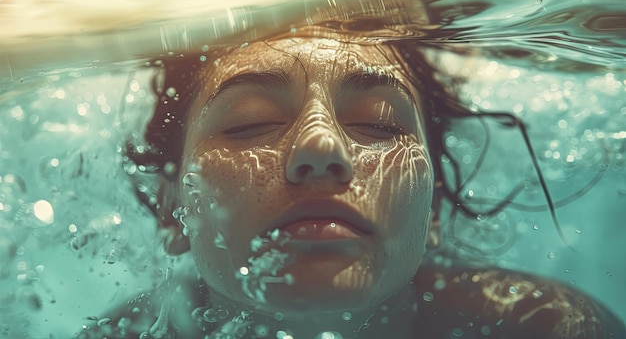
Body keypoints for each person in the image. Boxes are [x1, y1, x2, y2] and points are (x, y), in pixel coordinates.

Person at [77, 26, 625, 339]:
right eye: (249, 123)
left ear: (431, 209)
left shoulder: (535, 327)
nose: (321, 148)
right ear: (173, 207)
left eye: (379, 124)